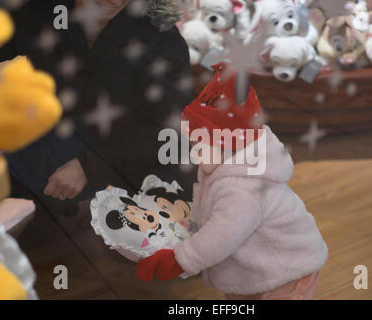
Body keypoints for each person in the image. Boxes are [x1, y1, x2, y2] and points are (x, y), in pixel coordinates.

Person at [136, 65, 328, 300]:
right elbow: (213, 212)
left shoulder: (243, 189)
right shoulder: (223, 168)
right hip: (252, 270)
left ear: (230, 147)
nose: (195, 152)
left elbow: (221, 235)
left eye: (201, 144)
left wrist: (181, 259)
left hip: (288, 270)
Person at [0, 0, 195, 203]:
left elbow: (162, 127)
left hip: (119, 183)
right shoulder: (41, 8)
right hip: (34, 158)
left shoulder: (163, 40)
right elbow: (0, 39)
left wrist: (90, 166)